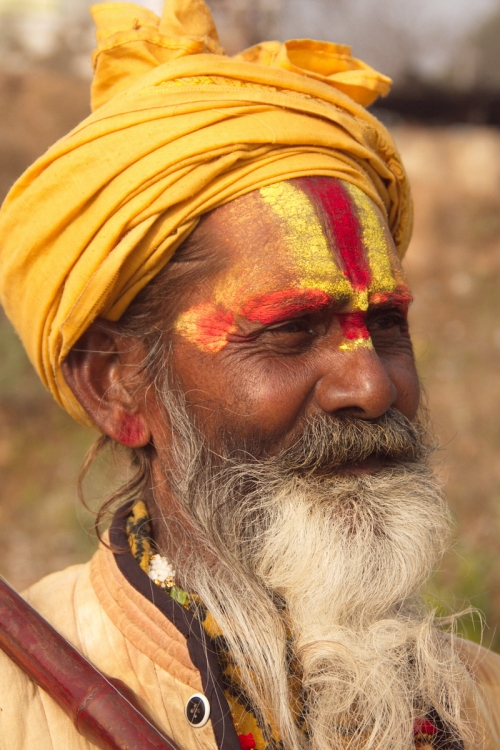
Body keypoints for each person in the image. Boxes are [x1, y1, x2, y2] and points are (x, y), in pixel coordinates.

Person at [0, 1, 499, 748]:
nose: (372, 388)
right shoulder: (20, 709)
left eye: (386, 325)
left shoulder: (484, 704)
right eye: (290, 331)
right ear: (117, 386)